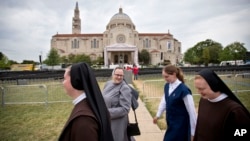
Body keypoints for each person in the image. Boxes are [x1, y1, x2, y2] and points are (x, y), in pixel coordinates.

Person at [59, 62, 114, 141]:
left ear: (74, 80)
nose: (62, 82)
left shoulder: (84, 120)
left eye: (64, 78)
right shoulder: (90, 106)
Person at [193, 68, 250, 141]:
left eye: (202, 89)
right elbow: (199, 128)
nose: (198, 92)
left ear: (213, 85)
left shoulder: (234, 110)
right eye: (197, 88)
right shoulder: (204, 101)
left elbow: (242, 133)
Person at [153, 64, 197, 141]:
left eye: (166, 76)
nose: (165, 79)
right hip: (171, 123)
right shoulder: (167, 86)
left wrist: (193, 133)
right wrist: (158, 115)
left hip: (181, 124)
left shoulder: (184, 90)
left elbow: (192, 111)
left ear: (174, 74)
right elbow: (164, 101)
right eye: (163, 76)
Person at [102, 67, 135, 141]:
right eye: (117, 75)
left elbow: (125, 109)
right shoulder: (108, 84)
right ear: (113, 74)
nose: (119, 77)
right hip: (106, 120)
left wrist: (106, 112)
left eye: (121, 75)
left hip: (118, 123)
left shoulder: (125, 88)